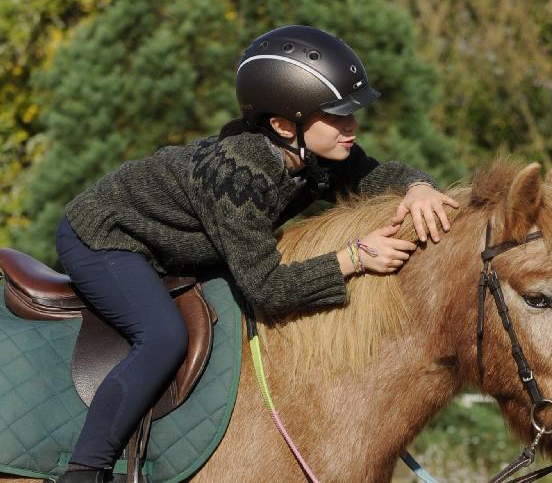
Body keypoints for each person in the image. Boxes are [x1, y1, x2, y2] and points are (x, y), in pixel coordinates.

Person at [54, 25, 459, 482]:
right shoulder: (240, 174)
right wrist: (354, 258)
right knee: (163, 336)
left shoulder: (315, 153)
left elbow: (375, 174)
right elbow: (266, 288)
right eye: (337, 116)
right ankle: (85, 468)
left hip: (179, 243)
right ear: (284, 125)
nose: (352, 127)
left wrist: (419, 187)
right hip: (109, 237)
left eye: (352, 115)